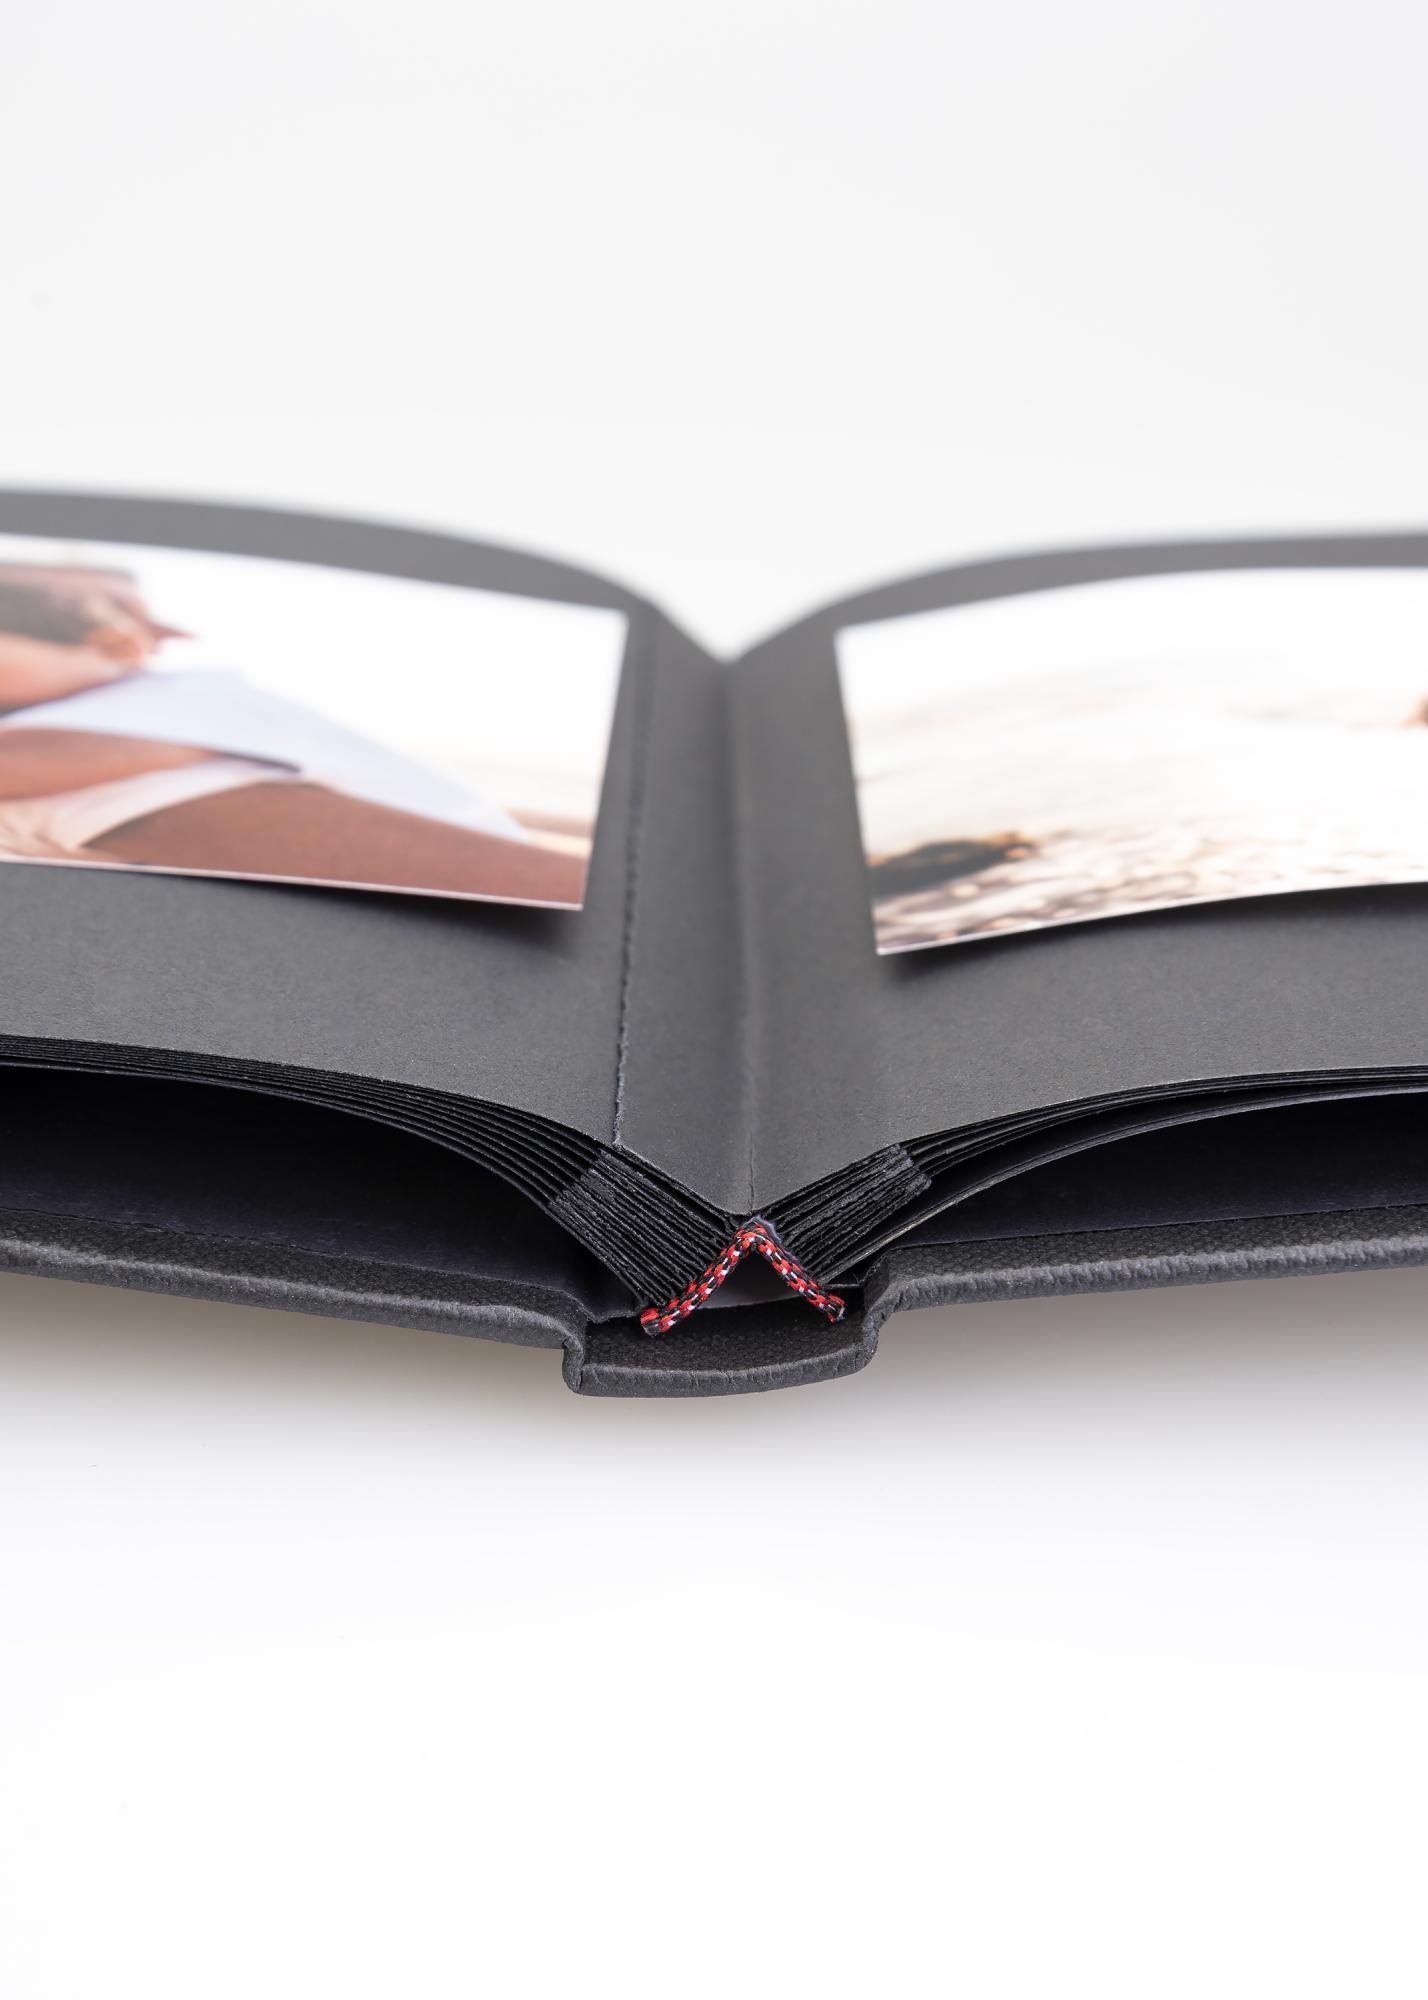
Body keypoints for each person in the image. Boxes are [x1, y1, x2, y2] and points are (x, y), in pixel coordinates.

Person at [0, 563, 585, 903]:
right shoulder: (168, 711)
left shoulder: (131, 724)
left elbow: (530, 886)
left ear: (118, 645)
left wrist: (189, 741)